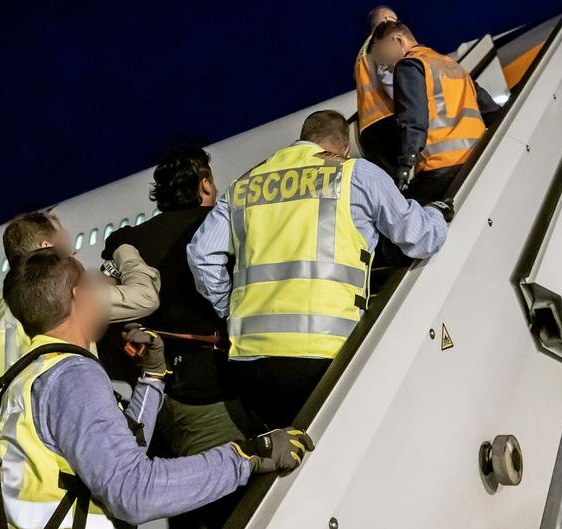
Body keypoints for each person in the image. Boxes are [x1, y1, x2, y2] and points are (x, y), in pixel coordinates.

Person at [0, 248, 314, 528]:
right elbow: (133, 492)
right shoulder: (71, 376)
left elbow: (119, 455)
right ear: (80, 297)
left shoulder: (28, 375)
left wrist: (152, 377)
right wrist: (245, 456)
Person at [188, 110, 450, 429]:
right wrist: (437, 212)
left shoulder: (243, 185)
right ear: (345, 147)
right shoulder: (355, 173)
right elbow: (419, 237)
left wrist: (226, 307)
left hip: (249, 362)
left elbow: (202, 254)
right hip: (324, 354)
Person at [100, 145, 255, 528]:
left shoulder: (132, 241)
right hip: (209, 396)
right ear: (204, 184)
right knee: (228, 502)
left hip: (156, 399)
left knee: (180, 502)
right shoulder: (217, 227)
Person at [0, 210, 161, 384]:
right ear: (46, 246)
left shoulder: (7, 303)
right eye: (63, 239)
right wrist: (124, 248)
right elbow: (145, 297)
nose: (73, 250)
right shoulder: (56, 292)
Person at [371, 20, 487, 203]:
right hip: (478, 158)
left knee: (400, 219)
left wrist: (404, 165)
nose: (389, 68)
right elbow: (487, 107)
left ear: (398, 40)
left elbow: (412, 118)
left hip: (441, 167)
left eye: (385, 60)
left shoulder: (409, 65)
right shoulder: (453, 65)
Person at [355, 5, 400, 178]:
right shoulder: (383, 43)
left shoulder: (363, 52)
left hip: (367, 127)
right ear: (385, 21)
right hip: (386, 119)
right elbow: (391, 79)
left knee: (387, 181)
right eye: (393, 21)